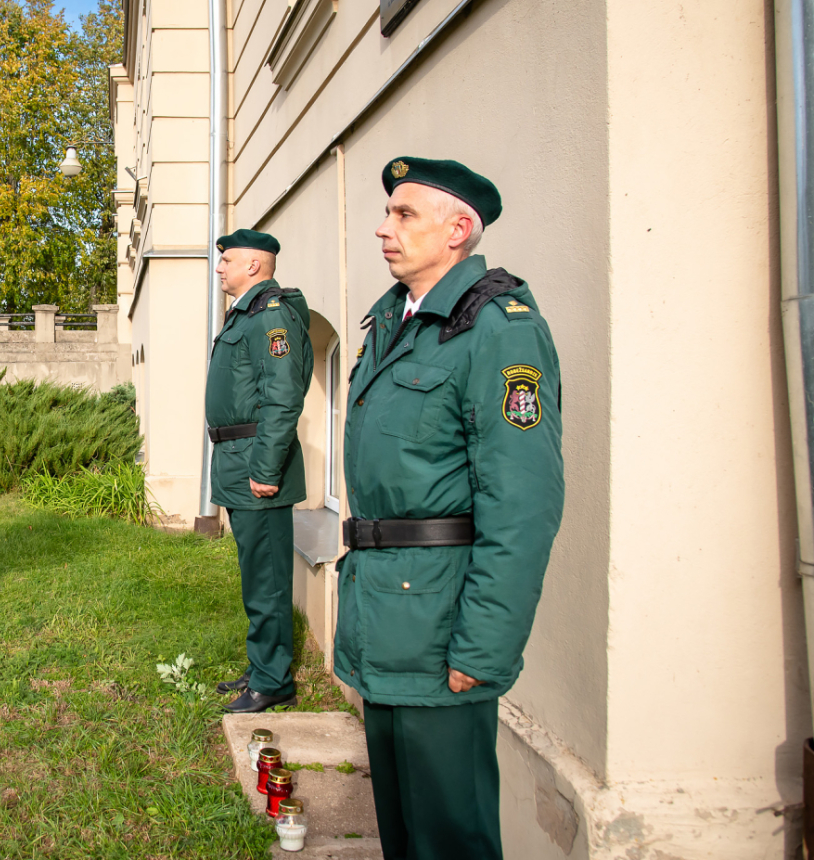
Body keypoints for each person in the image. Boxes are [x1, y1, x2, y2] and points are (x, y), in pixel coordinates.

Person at [335, 157, 565, 859]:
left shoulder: (498, 329)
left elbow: (523, 504)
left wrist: (485, 647)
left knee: (450, 838)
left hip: (442, 631)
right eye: (387, 213)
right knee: (406, 832)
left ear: (459, 229)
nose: (383, 228)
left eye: (404, 215)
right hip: (386, 616)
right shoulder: (397, 321)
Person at [205, 228, 315, 714]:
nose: (219, 266)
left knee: (267, 577)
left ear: (254, 265)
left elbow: (283, 396)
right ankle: (262, 665)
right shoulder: (247, 314)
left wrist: (266, 467)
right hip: (237, 459)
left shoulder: (272, 317)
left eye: (227, 259)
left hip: (256, 465)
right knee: (256, 574)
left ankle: (273, 681)